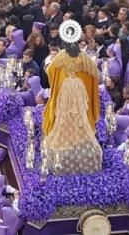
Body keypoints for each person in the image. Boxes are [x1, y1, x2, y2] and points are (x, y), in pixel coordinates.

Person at [40, 20, 101, 175]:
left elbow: (51, 71)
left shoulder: (61, 55)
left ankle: (66, 140)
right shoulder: (83, 56)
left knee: (64, 113)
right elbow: (94, 72)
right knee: (79, 113)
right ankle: (78, 139)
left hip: (66, 88)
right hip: (79, 88)